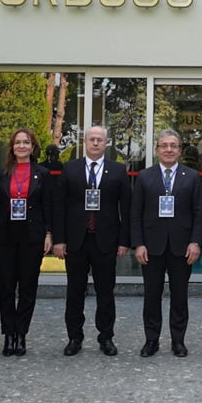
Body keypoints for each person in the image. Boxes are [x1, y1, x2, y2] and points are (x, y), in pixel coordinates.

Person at [52, 125, 131, 356]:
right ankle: (74, 337)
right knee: (74, 291)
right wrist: (59, 239)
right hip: (76, 240)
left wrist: (124, 241)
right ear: (84, 142)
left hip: (105, 240)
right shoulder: (70, 168)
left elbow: (126, 208)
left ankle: (106, 337)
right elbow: (60, 207)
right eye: (91, 139)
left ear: (106, 143)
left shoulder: (118, 170)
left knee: (105, 292)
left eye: (100, 140)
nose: (95, 143)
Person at [132, 129, 202, 357]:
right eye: (164, 145)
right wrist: (138, 244)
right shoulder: (145, 176)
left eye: (173, 145)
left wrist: (195, 242)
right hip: (151, 247)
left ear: (180, 150)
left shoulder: (191, 176)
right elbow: (135, 213)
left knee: (179, 296)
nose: (169, 149)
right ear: (157, 150)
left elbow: (199, 212)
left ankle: (178, 341)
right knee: (151, 296)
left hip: (182, 247)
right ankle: (151, 340)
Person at [0, 127, 53, 357]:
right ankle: (8, 334)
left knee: (27, 288)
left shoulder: (42, 173)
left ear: (33, 147)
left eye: (26, 142)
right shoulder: (2, 173)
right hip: (4, 236)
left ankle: (21, 333)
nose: (22, 146)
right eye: (17, 143)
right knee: (6, 288)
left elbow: (47, 206)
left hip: (31, 237)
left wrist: (48, 234)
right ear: (12, 147)